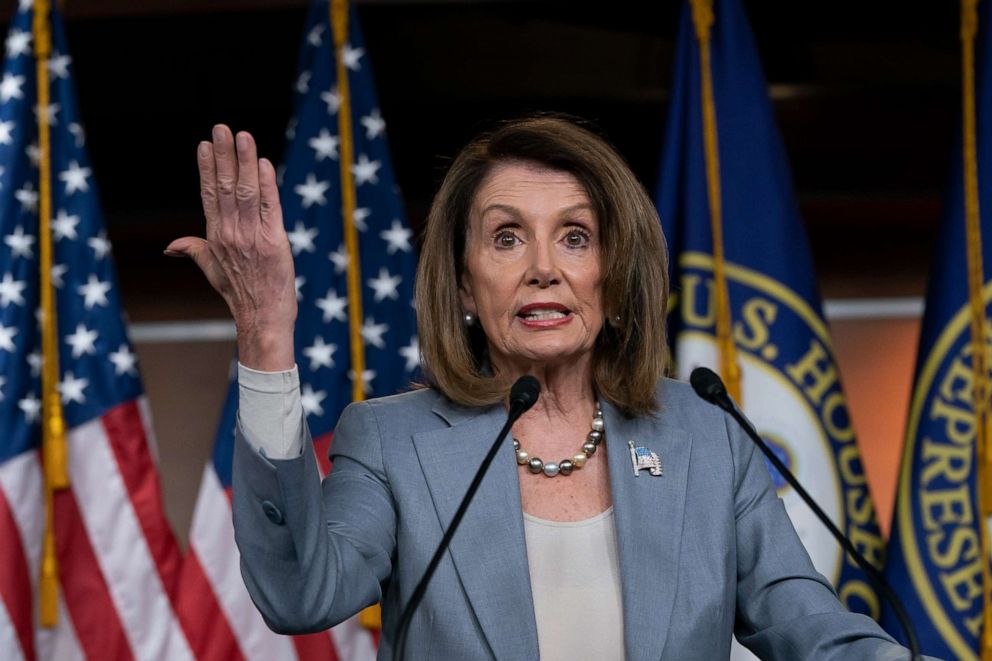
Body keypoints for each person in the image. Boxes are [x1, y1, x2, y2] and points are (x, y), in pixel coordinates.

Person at [168, 117, 918, 660]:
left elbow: (811, 628)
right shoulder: (393, 441)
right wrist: (267, 334)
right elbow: (299, 595)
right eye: (506, 236)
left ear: (615, 281)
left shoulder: (705, 435)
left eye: (576, 236)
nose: (543, 268)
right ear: (464, 284)